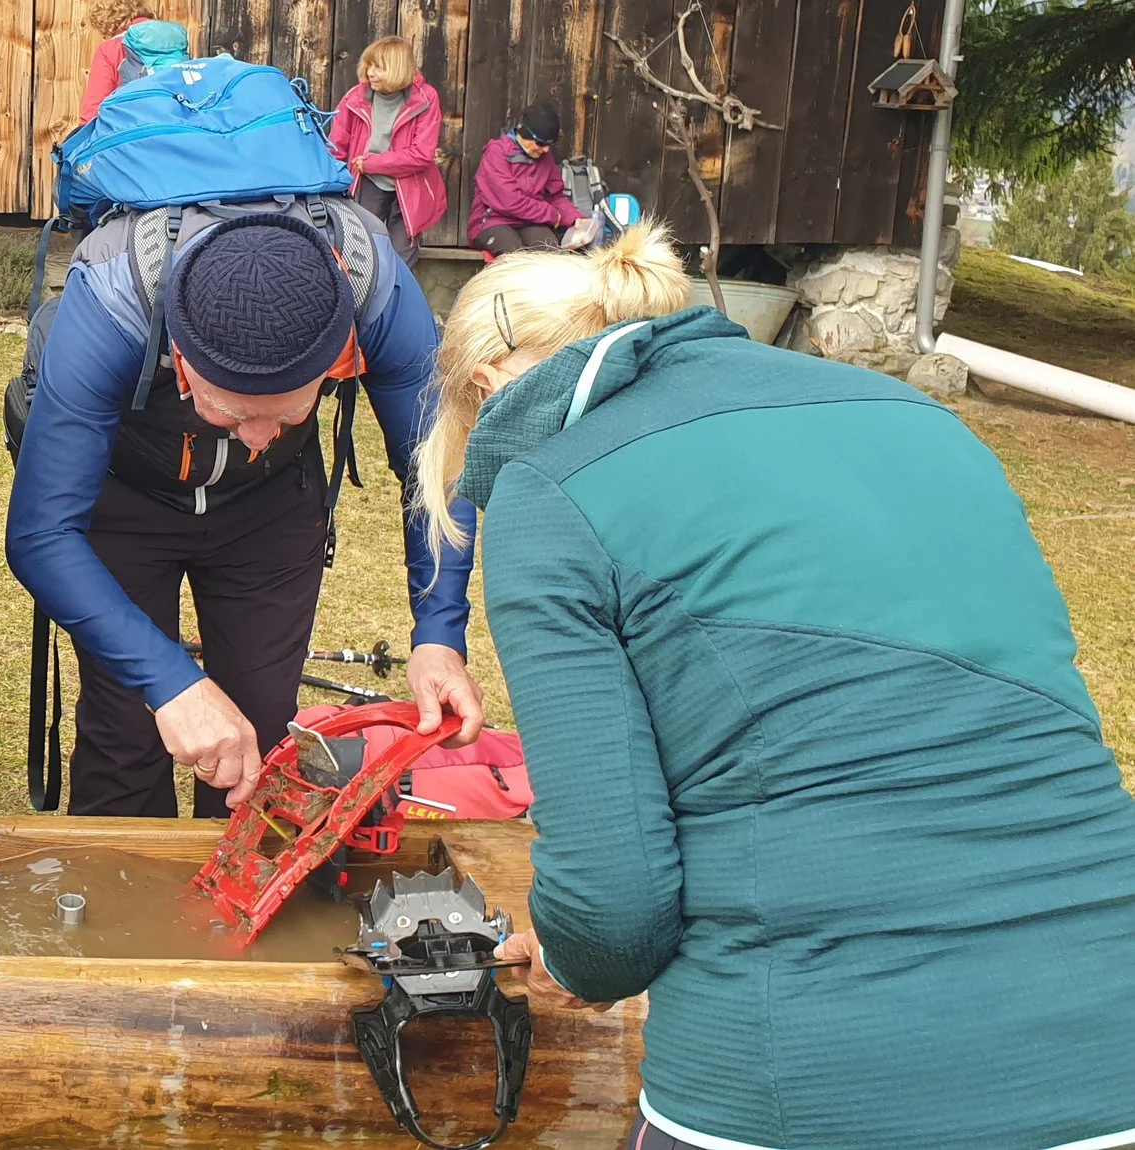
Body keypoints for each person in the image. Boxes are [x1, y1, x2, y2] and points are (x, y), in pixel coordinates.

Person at [416, 230, 1135, 1150]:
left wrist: (570, 953)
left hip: (805, 1071)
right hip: (1107, 1029)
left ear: (487, 388)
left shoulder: (545, 491)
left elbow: (613, 916)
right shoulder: (918, 415)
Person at [7, 209, 482, 818]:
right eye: (231, 414)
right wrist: (170, 682)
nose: (256, 437)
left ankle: (244, 870)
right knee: (125, 729)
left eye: (287, 413)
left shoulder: (374, 283)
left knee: (263, 726)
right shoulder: (112, 298)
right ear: (182, 361)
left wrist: (439, 635)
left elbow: (438, 471)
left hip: (271, 504)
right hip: (126, 494)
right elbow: (41, 532)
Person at [327, 35, 445, 264]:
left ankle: (398, 289)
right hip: (367, 183)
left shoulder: (426, 98)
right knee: (362, 248)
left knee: (402, 256)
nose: (370, 73)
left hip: (410, 187)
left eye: (379, 68)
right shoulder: (355, 98)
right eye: (369, 65)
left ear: (398, 69)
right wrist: (333, 186)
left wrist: (372, 163)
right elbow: (336, 146)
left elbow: (421, 155)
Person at [466, 102, 579, 257]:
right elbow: (509, 201)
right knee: (515, 256)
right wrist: (552, 214)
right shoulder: (497, 152)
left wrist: (574, 218)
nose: (545, 149)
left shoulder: (545, 158)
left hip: (531, 222)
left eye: (550, 145)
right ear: (525, 133)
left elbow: (555, 196)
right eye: (541, 143)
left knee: (551, 255)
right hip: (493, 221)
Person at [78, 0, 155, 120]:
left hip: (131, 125)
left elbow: (95, 107)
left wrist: (84, 129)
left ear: (107, 22)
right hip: (175, 124)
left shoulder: (111, 49)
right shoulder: (172, 40)